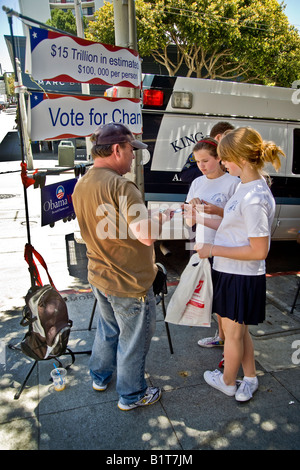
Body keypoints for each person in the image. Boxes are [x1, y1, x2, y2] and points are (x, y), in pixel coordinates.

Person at [72, 122, 173, 411]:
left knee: (108, 329)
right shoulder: (122, 185)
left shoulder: (83, 182)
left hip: (99, 274)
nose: (133, 157)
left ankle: (99, 376)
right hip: (129, 282)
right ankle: (131, 395)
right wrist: (161, 218)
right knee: (134, 340)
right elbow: (146, 234)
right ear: (117, 149)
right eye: (131, 150)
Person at [186, 126, 285, 402]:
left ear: (240, 159)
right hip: (233, 272)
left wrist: (211, 249)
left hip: (239, 274)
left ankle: (228, 381)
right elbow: (232, 225)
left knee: (232, 334)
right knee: (238, 331)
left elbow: (259, 250)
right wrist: (206, 215)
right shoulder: (246, 185)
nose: (223, 163)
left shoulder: (254, 196)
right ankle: (249, 378)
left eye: (225, 158)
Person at [184, 137, 239, 351]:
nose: (202, 166)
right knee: (213, 296)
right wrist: (192, 206)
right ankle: (222, 336)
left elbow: (239, 221)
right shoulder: (197, 183)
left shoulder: (233, 183)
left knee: (225, 298)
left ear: (219, 158)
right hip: (203, 246)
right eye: (197, 162)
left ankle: (231, 343)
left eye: (206, 160)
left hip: (225, 248)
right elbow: (189, 221)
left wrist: (214, 210)